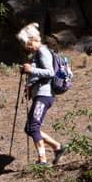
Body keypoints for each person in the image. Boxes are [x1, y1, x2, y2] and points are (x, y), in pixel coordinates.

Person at [17, 23, 67, 167]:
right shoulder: (37, 53)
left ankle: (43, 160)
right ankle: (58, 147)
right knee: (30, 128)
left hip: (44, 95)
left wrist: (31, 69)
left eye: (27, 43)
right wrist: (30, 87)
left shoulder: (42, 51)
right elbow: (39, 74)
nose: (26, 46)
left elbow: (50, 72)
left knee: (33, 127)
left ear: (33, 39)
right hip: (40, 94)